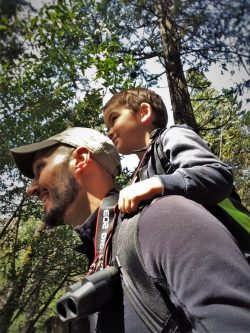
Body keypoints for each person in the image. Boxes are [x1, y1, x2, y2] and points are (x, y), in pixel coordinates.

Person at [10, 127, 250, 332]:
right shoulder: (101, 258)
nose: (30, 189)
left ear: (81, 159)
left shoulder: (163, 218)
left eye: (40, 168)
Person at [103, 87, 234, 214]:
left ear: (144, 112)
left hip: (230, 231)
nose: (109, 133)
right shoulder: (138, 176)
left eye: (114, 119)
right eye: (107, 128)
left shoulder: (172, 135)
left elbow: (218, 174)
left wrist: (156, 183)